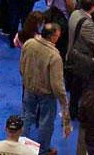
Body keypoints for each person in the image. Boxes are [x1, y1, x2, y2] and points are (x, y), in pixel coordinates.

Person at [19, 23, 70, 153]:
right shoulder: (54, 56)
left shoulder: (29, 43)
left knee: (27, 116)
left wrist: (27, 81)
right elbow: (57, 85)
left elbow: (21, 66)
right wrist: (64, 101)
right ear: (53, 37)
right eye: (58, 35)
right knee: (45, 123)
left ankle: (20, 147)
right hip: (46, 94)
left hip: (29, 89)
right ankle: (42, 150)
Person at [64, 0, 94, 119]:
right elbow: (93, 42)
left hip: (72, 52)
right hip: (82, 58)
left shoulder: (75, 13)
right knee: (80, 87)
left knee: (75, 86)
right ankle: (77, 113)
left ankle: (73, 109)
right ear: (93, 7)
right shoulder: (87, 23)